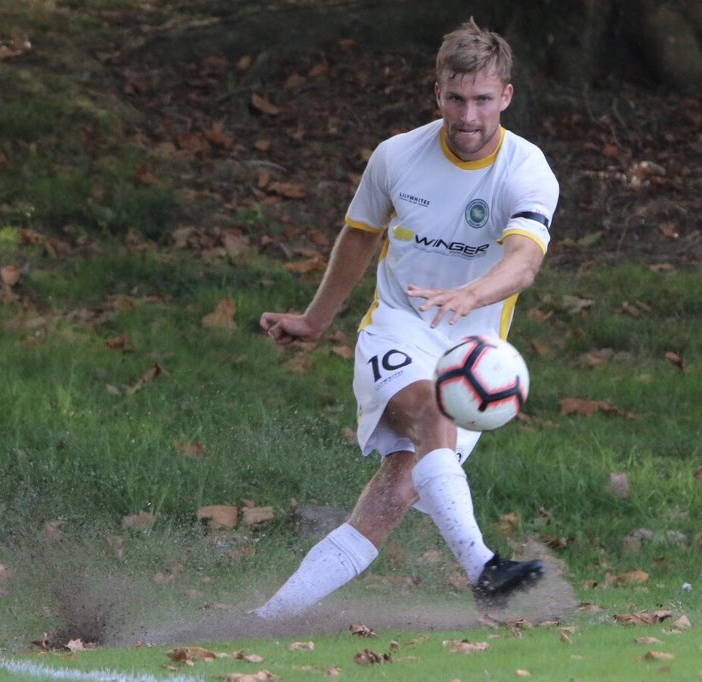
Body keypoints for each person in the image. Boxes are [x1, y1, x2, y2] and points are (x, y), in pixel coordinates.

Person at [253, 17, 559, 620]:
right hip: (397, 328)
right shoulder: (396, 157)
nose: (468, 117)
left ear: (506, 97)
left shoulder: (527, 169)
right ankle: (484, 570)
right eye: (455, 98)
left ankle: (266, 621)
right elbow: (358, 237)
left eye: (481, 100)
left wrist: (474, 294)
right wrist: (316, 320)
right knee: (429, 408)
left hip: (473, 354)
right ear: (436, 92)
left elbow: (523, 262)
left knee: (393, 496)